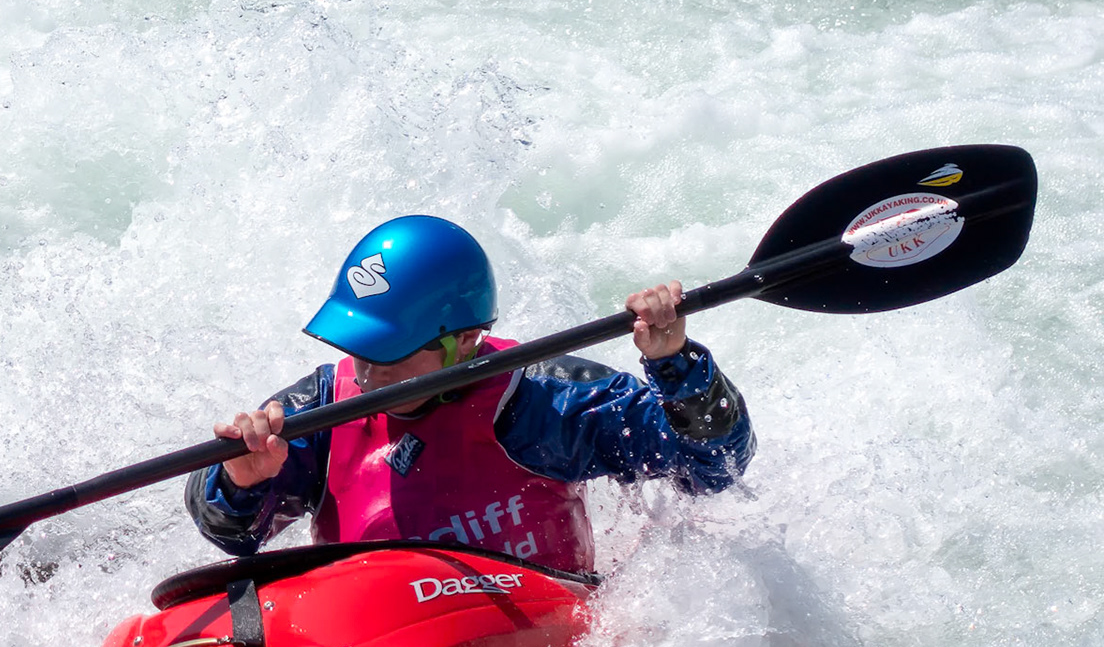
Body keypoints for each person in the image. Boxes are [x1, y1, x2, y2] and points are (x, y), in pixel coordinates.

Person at [186, 216, 755, 574]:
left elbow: (715, 467)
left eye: (390, 353)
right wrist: (241, 478)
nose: (366, 374)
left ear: (462, 342)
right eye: (359, 349)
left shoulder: (544, 402)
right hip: (367, 640)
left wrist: (676, 365)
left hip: (532, 633)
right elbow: (231, 536)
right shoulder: (318, 412)